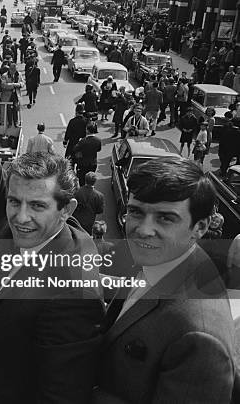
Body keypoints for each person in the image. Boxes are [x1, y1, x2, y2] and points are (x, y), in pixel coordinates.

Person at [0, 77, 104, 403]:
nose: (20, 217)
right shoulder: (41, 226)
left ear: (68, 209)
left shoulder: (72, 290)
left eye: (37, 205)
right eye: (14, 202)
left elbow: (61, 394)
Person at [95, 158, 234, 403]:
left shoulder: (200, 337)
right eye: (136, 211)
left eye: (165, 218)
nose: (143, 230)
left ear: (200, 227)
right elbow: (140, 296)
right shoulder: (165, 259)